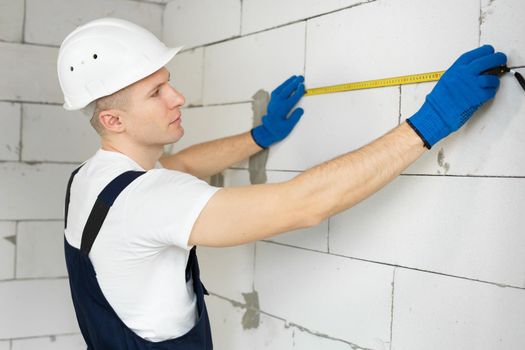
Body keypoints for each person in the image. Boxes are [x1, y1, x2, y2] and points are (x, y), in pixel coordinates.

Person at [58, 17, 507, 350]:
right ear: (112, 118)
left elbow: (182, 166)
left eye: (167, 83)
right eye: (156, 93)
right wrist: (430, 122)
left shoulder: (92, 179)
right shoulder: (148, 200)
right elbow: (303, 203)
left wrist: (260, 136)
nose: (178, 97)